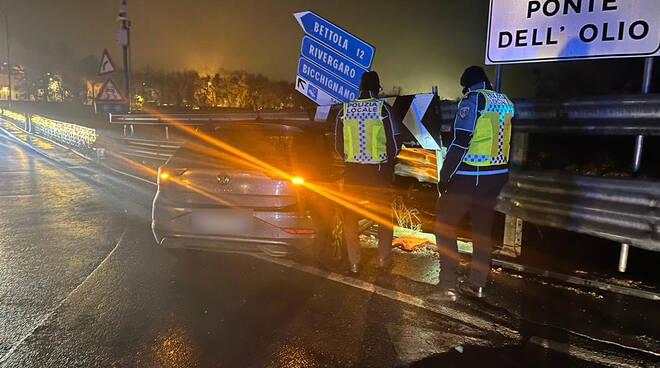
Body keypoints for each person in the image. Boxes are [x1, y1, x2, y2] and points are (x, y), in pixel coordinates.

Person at [433, 66, 514, 300]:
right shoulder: (505, 101)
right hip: (497, 176)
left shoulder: (473, 100)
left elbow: (460, 142)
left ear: (467, 84)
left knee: (444, 226)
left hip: (472, 176)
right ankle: (478, 284)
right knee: (481, 229)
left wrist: (445, 176)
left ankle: (448, 285)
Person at [334, 71, 400, 273]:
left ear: (360, 88)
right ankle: (383, 259)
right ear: (377, 88)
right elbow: (395, 142)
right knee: (383, 215)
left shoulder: (344, 110)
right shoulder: (383, 109)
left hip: (352, 172)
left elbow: (337, 144)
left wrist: (350, 159)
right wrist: (388, 162)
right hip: (378, 172)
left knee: (350, 216)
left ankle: (354, 261)